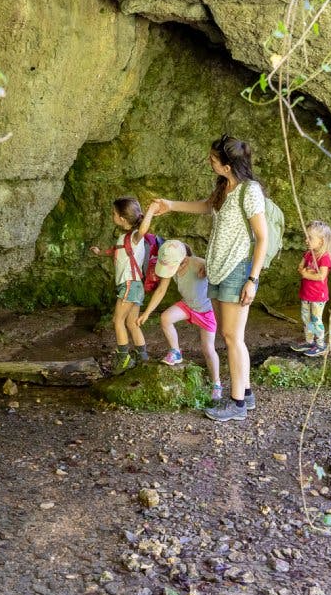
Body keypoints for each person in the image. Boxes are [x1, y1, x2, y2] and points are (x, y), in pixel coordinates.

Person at [151, 135, 268, 422]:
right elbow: (206, 206)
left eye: (213, 159)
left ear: (228, 165)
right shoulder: (224, 187)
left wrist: (252, 280)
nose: (209, 162)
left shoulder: (249, 191)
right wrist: (170, 204)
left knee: (231, 337)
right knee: (231, 336)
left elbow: (262, 238)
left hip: (238, 271)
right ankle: (247, 393)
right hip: (218, 270)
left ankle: (237, 403)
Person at [137, 238, 223, 403]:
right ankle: (176, 352)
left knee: (208, 349)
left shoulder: (196, 263)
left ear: (182, 260)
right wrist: (147, 312)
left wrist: (208, 269)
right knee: (165, 318)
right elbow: (161, 290)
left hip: (206, 311)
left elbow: (218, 271)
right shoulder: (173, 269)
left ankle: (216, 384)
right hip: (188, 305)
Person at [89, 196, 156, 373]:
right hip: (133, 286)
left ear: (122, 218)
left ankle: (123, 357)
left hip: (130, 284)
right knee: (132, 323)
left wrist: (150, 212)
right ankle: (143, 357)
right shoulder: (125, 238)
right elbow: (116, 252)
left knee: (117, 320)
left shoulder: (135, 236)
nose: (112, 216)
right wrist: (100, 252)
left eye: (113, 213)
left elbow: (143, 230)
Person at [292, 220, 331, 358]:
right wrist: (303, 270)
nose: (306, 240)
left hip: (318, 296)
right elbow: (300, 266)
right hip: (306, 293)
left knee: (316, 319)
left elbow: (322, 276)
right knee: (306, 318)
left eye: (310, 238)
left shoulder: (324, 258)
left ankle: (321, 344)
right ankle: (309, 341)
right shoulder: (309, 254)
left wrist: (306, 274)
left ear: (321, 241)